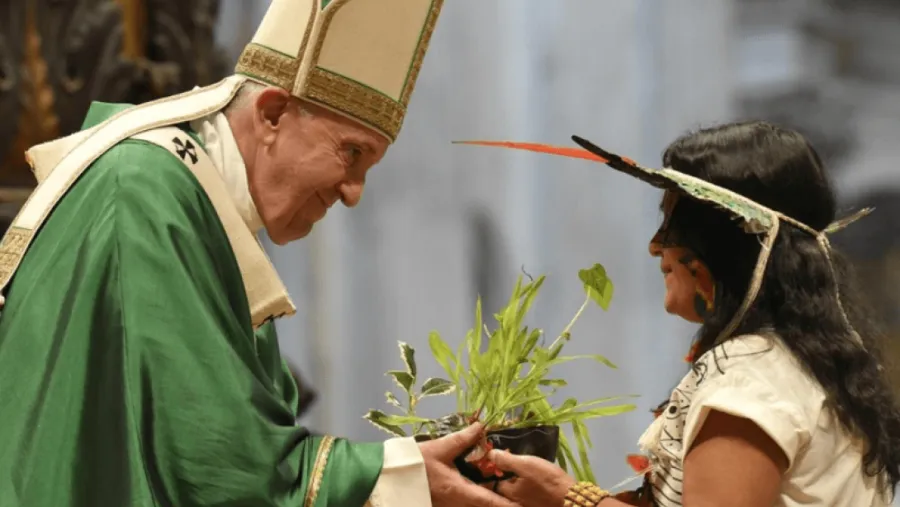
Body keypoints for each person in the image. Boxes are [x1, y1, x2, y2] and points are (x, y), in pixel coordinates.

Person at [0, 1, 520, 506]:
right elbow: (222, 469)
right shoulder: (148, 191)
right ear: (271, 114)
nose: (354, 193)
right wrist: (399, 475)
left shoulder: (196, 205)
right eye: (351, 152)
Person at [459, 121, 900, 506]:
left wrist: (569, 498)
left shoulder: (751, 381)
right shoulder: (794, 363)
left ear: (724, 243)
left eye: (673, 223)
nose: (656, 245)